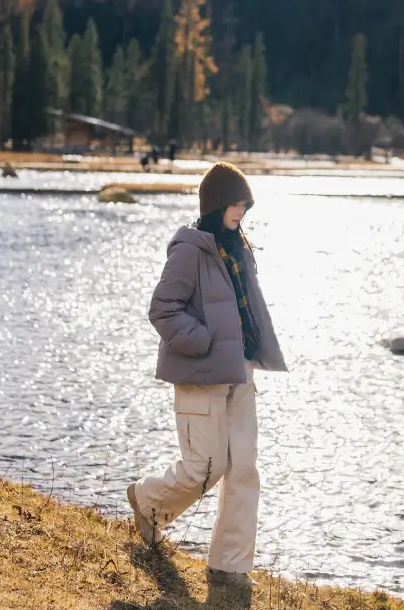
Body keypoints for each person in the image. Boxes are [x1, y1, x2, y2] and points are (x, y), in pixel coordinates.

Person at [126, 162, 287, 590]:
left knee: (244, 468)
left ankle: (229, 566)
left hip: (241, 371)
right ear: (215, 205)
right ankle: (146, 500)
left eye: (246, 203)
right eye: (236, 203)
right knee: (207, 468)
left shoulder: (239, 248)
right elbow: (162, 310)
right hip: (202, 375)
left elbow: (246, 310)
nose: (242, 210)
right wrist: (205, 342)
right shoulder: (189, 250)